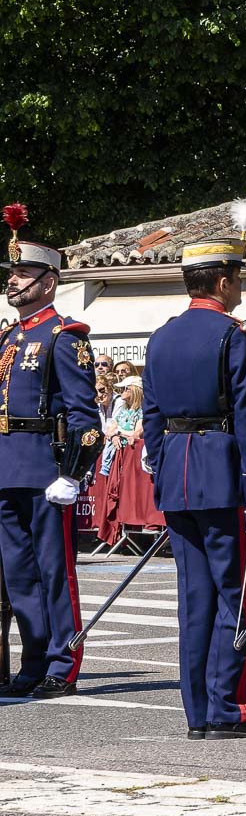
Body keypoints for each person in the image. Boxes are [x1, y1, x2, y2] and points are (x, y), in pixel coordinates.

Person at [140, 213, 246, 739]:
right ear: (223, 282)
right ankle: (227, 709)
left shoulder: (160, 338)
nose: (240, 287)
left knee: (193, 597)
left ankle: (197, 712)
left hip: (176, 470)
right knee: (235, 593)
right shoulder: (233, 336)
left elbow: (152, 418)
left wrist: (163, 463)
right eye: (238, 278)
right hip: (221, 471)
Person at [0, 208, 101, 698]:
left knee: (55, 572)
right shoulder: (7, 337)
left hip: (44, 468)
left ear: (49, 281)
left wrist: (73, 473)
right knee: (18, 574)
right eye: (12, 273)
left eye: (23, 273)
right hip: (6, 467)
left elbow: (85, 417)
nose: (13, 281)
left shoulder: (64, 337)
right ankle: (34, 656)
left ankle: (63, 660)